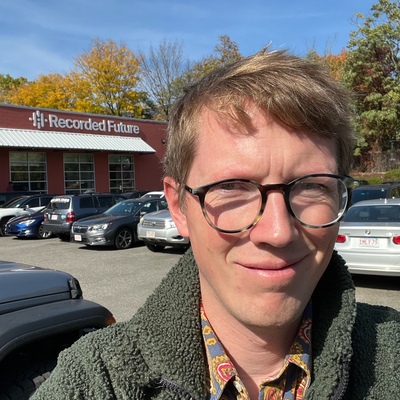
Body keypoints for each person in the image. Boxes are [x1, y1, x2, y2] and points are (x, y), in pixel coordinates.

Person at [33, 49, 400, 399]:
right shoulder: (98, 378)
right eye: (232, 187)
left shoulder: (390, 355)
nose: (277, 232)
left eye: (312, 186)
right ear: (178, 207)